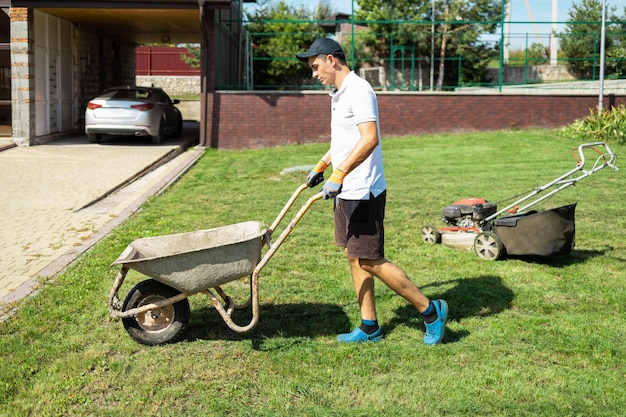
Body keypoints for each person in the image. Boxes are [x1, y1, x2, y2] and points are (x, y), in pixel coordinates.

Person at [296, 38, 448, 345]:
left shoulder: (359, 90)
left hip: (363, 189)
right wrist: (323, 164)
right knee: (355, 258)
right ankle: (369, 326)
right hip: (345, 189)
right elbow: (346, 139)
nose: (314, 74)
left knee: (369, 259)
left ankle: (431, 311)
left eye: (315, 67)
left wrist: (339, 173)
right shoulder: (338, 94)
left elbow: (369, 138)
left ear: (331, 59)